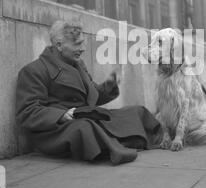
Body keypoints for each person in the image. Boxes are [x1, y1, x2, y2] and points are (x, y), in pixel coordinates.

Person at [16, 21, 162, 166]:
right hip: (57, 130)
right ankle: (124, 142)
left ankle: (118, 142)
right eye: (77, 44)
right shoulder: (34, 70)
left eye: (83, 43)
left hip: (87, 117)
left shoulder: (78, 65)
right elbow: (28, 112)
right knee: (85, 128)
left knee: (136, 111)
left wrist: (109, 85)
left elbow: (93, 95)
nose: (83, 48)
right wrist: (61, 115)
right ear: (59, 45)